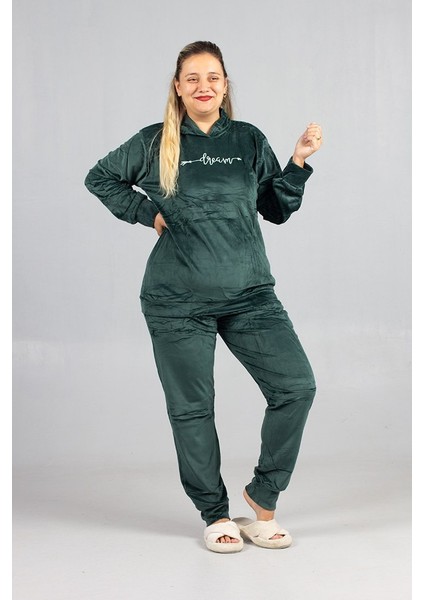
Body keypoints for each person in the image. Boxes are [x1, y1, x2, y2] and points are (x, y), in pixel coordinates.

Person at [85, 40, 323, 553]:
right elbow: (100, 178)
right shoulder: (154, 141)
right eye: (192, 77)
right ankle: (214, 513)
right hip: (176, 300)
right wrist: (147, 213)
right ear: (178, 86)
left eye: (212, 77)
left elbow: (275, 209)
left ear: (225, 85)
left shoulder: (247, 139)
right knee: (192, 409)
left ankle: (262, 499)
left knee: (296, 387)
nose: (203, 86)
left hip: (250, 295)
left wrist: (298, 163)